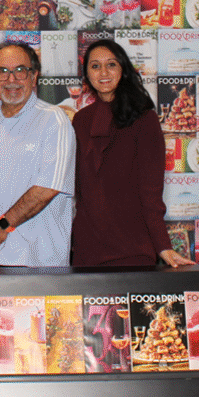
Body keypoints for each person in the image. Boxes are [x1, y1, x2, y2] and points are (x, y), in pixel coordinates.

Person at [70, 39, 188, 267]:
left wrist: (163, 246)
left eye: (111, 64)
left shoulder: (144, 118)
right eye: (95, 66)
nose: (103, 72)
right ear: (86, 75)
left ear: (123, 69)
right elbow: (79, 190)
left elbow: (151, 192)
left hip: (132, 248)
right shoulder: (81, 120)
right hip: (87, 249)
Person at [0, 41, 76, 267]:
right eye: (2, 71)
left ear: (34, 76)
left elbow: (47, 188)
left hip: (41, 259)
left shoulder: (54, 119)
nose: (12, 80)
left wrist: (1, 226)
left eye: (20, 70)